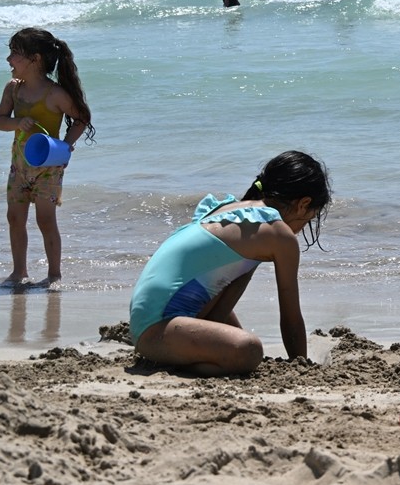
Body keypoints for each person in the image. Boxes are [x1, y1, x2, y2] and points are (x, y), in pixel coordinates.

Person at [129, 151, 332, 376]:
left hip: (148, 325)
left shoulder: (229, 211)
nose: (304, 226)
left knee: (238, 281)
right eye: (310, 218)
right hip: (160, 330)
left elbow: (217, 288)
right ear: (303, 204)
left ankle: (183, 357)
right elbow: (291, 315)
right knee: (249, 350)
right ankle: (177, 365)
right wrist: (300, 364)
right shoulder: (278, 234)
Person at [0, 28, 95, 288]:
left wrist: (66, 145)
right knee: (14, 217)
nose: (9, 59)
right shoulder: (13, 90)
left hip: (49, 166)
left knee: (45, 219)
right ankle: (19, 272)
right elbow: (0, 122)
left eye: (15, 53)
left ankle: (54, 275)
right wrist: (17, 122)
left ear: (35, 59)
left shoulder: (55, 94)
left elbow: (82, 118)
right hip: (19, 165)